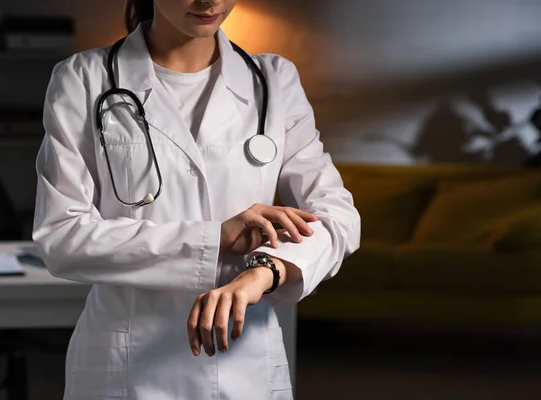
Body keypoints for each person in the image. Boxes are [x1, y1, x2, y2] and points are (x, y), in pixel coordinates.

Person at [32, 0, 360, 398]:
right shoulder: (84, 79)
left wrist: (262, 274)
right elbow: (61, 238)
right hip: (128, 367)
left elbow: (337, 217)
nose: (210, 1)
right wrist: (213, 238)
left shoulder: (274, 81)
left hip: (244, 364)